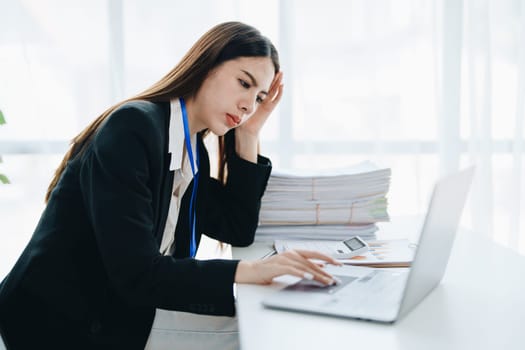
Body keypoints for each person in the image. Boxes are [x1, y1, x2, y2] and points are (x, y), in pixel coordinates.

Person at [0, 21, 340, 349]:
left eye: (260, 97)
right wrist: (250, 271)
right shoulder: (133, 129)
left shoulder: (190, 148)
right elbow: (136, 273)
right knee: (255, 335)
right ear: (207, 66)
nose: (249, 105)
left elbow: (236, 228)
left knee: (262, 323)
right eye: (244, 83)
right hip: (63, 321)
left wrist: (248, 135)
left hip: (123, 305)